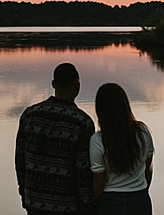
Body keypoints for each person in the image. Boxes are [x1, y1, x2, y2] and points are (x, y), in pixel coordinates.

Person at [15, 63, 95, 215]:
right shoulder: (82, 122)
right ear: (77, 87)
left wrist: (24, 194)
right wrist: (88, 206)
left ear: (53, 84)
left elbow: (20, 160)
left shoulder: (30, 115)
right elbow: (82, 171)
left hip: (34, 201)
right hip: (68, 205)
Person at [90, 83, 154, 215]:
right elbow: (147, 167)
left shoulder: (98, 140)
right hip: (140, 198)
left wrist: (90, 204)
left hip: (109, 201)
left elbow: (99, 181)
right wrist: (141, 189)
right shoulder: (143, 132)